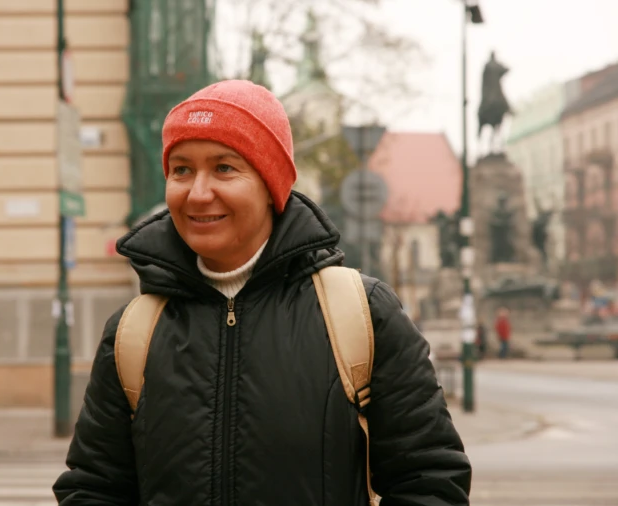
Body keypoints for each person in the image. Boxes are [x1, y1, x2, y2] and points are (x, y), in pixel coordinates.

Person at [52, 80, 471, 505]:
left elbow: (430, 480)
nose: (198, 193)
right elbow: (93, 488)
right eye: (181, 169)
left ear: (272, 186)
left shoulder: (361, 315)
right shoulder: (132, 332)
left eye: (224, 168)